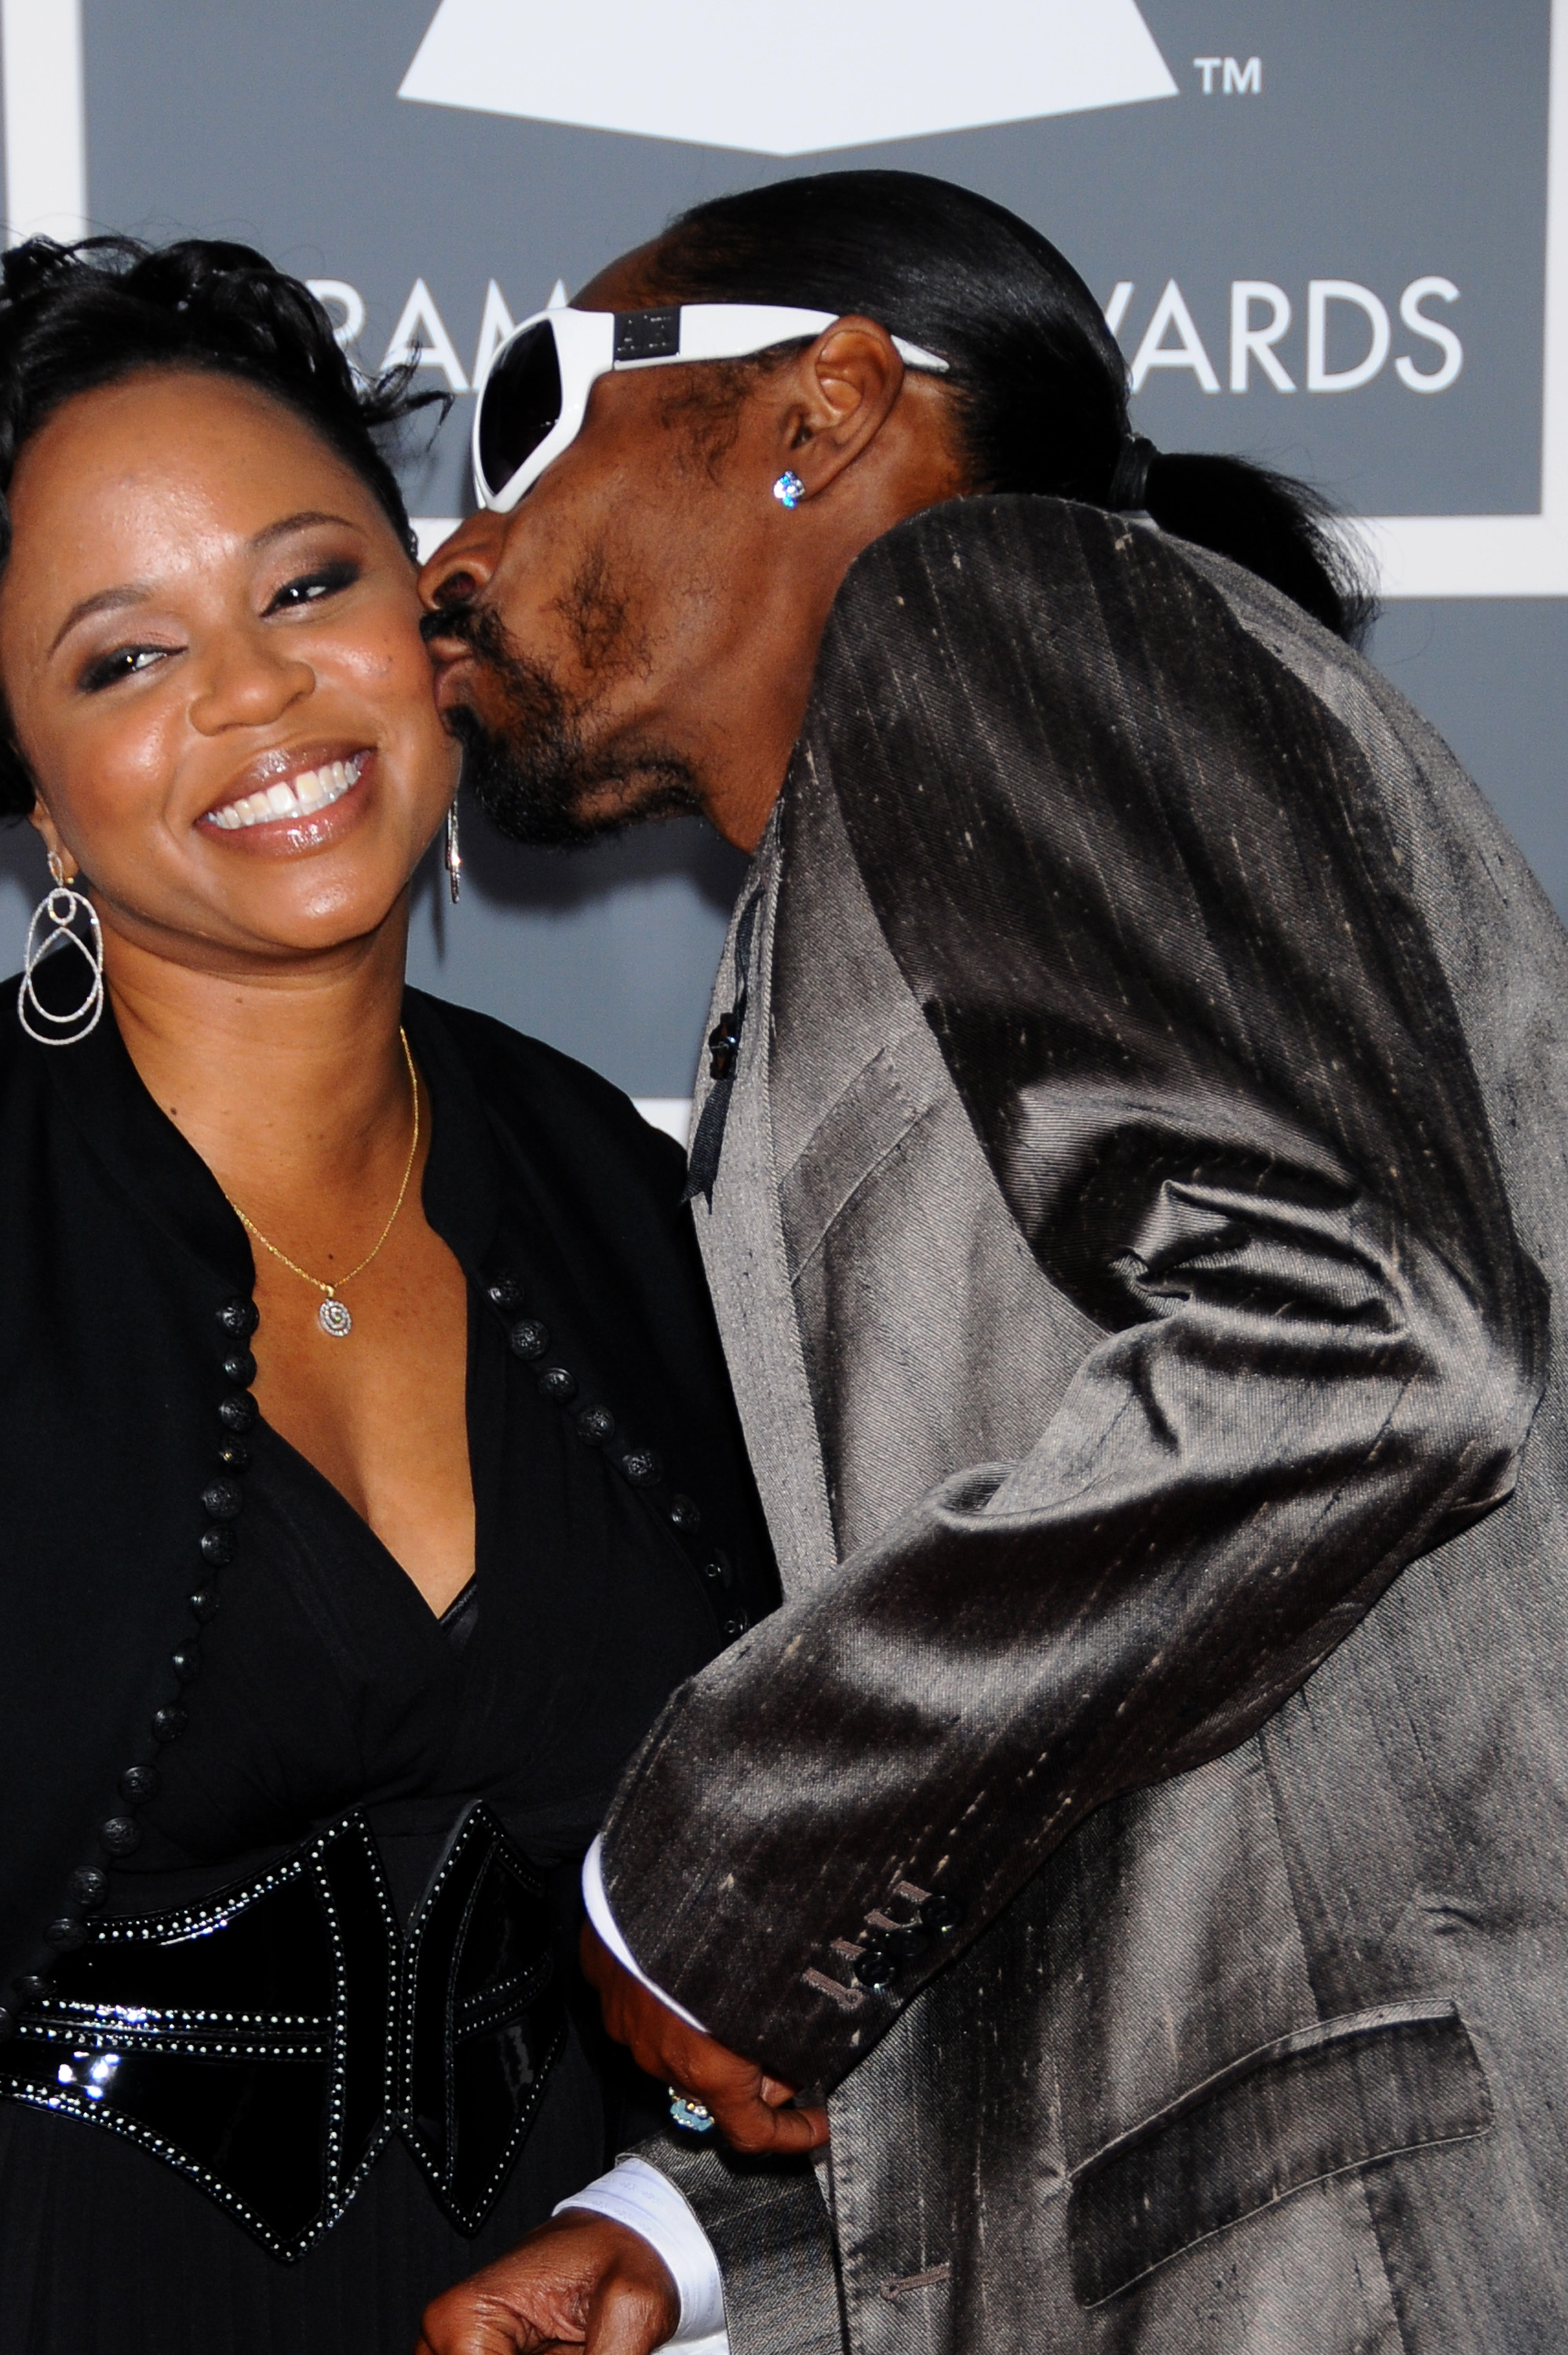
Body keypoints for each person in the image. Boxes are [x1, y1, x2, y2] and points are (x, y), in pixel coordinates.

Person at [414, 170, 1568, 2353]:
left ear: (825, 401)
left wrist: (727, 1858)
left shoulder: (989, 609)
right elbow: (1173, 1789)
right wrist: (699, 2237)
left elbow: (1365, 1335)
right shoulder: (893, 856)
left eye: (528, 418)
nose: (450, 559)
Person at [0, 235, 777, 2355]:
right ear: (36, 782)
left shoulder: (635, 1203)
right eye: (125, 659)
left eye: (308, 585)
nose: (255, 695)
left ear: (429, 618)